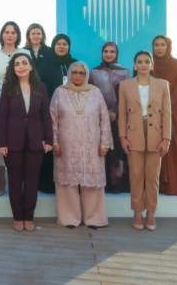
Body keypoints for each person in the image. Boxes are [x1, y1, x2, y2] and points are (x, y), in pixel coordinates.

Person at [51, 62, 112, 229]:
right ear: (69, 74)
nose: (77, 76)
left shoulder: (95, 92)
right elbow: (52, 119)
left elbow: (104, 119)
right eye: (74, 72)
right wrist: (54, 142)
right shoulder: (59, 92)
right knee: (67, 183)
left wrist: (105, 143)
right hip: (66, 145)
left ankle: (94, 218)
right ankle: (69, 218)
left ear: (86, 75)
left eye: (81, 73)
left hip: (92, 145)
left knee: (92, 181)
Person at [0, 53, 53, 232]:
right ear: (13, 69)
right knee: (14, 182)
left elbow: (46, 115)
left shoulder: (41, 87)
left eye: (24, 63)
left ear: (30, 66)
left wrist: (49, 139)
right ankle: (17, 217)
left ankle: (29, 217)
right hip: (13, 143)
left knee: (31, 182)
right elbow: (2, 117)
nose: (20, 66)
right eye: (16, 64)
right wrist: (2, 143)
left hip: (36, 142)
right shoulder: (8, 87)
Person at [118, 51, 171, 231]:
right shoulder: (125, 85)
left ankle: (151, 213)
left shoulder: (163, 85)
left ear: (151, 65)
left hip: (156, 135)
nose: (143, 64)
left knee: (152, 177)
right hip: (134, 134)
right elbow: (122, 114)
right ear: (134, 65)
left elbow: (167, 114)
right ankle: (137, 212)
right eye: (139, 61)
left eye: (146, 61)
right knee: (136, 176)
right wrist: (122, 137)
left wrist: (166, 139)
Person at [0, 21, 27, 196]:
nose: (10, 35)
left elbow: (31, 77)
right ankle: (2, 178)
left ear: (17, 35)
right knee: (1, 139)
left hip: (22, 102)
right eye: (7, 32)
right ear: (2, 35)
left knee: (21, 138)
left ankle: (20, 179)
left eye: (13, 32)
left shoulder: (25, 53)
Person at [36, 33, 77, 193]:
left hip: (72, 114)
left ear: (69, 47)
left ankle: (68, 182)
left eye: (64, 44)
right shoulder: (44, 64)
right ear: (53, 46)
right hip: (50, 111)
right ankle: (47, 184)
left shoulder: (74, 64)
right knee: (51, 145)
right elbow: (39, 88)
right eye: (58, 44)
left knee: (68, 146)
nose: (61, 46)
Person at [89, 42, 132, 193]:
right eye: (106, 51)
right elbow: (91, 94)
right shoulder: (94, 72)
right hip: (98, 118)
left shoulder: (125, 72)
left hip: (119, 118)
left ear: (117, 54)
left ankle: (117, 184)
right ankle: (102, 183)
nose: (108, 54)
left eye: (112, 51)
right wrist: (103, 112)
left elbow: (128, 96)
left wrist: (115, 112)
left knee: (117, 150)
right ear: (102, 53)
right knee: (101, 148)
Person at [152, 35, 177, 196]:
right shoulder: (149, 64)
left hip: (174, 113)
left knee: (173, 147)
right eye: (156, 45)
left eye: (163, 45)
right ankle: (156, 183)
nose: (159, 48)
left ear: (168, 47)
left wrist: (164, 112)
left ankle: (172, 184)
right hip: (152, 114)